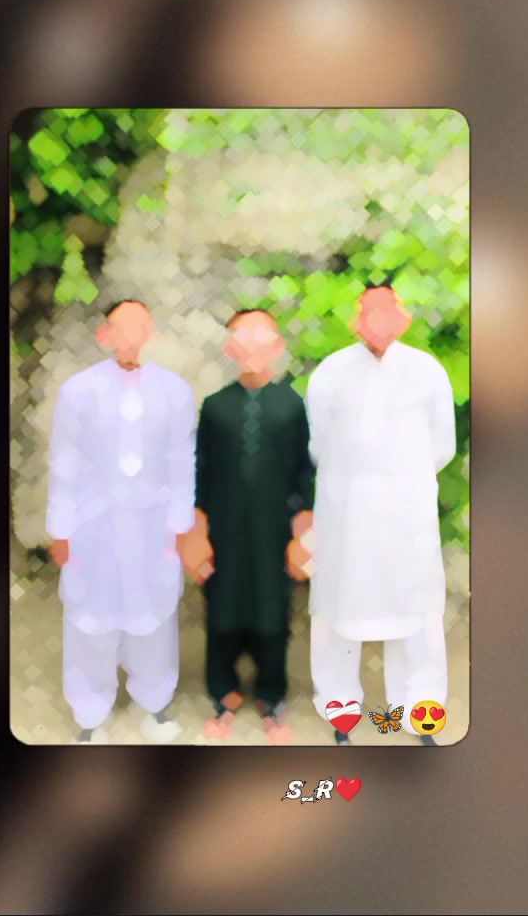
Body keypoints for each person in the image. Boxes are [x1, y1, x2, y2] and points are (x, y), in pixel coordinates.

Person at [305, 283, 457, 746]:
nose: (376, 321)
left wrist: (400, 483)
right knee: (337, 611)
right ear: (354, 320)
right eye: (367, 311)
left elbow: (442, 445)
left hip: (408, 515)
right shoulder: (330, 373)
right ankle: (340, 710)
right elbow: (318, 444)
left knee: (417, 612)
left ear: (403, 317)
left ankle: (419, 712)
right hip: (345, 516)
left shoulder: (427, 371)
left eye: (386, 310)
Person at [46, 299, 196, 743]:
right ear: (104, 335)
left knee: (154, 614)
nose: (130, 336)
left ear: (152, 334)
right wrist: (61, 529)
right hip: (93, 526)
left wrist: (180, 524)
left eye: (139, 327)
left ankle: (156, 704)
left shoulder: (175, 391)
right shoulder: (78, 391)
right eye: (121, 327)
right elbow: (64, 461)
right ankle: (90, 714)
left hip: (154, 527)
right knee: (89, 615)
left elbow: (181, 461)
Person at [179, 309, 314, 744]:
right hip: (225, 530)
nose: (253, 346)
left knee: (274, 613)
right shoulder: (216, 406)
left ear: (277, 345)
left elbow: (303, 475)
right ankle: (224, 695)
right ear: (230, 346)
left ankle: (271, 698)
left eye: (262, 337)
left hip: (275, 531)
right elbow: (201, 474)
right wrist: (197, 534)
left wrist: (303, 538)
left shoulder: (291, 405)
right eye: (243, 336)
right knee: (222, 611)